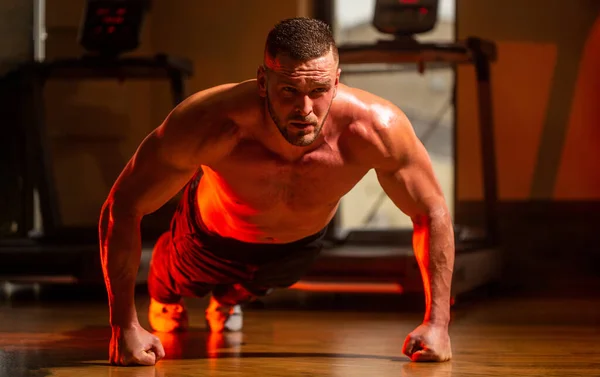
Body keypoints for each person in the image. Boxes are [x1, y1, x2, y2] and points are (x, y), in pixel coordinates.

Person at [99, 17, 455, 367]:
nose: (305, 110)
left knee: (260, 282)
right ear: (262, 80)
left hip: (298, 247)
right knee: (174, 279)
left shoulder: (377, 128)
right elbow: (122, 207)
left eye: (319, 91)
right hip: (208, 237)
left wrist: (438, 325)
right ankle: (166, 298)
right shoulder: (209, 121)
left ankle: (227, 299)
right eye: (289, 91)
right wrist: (123, 326)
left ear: (336, 81)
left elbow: (432, 212)